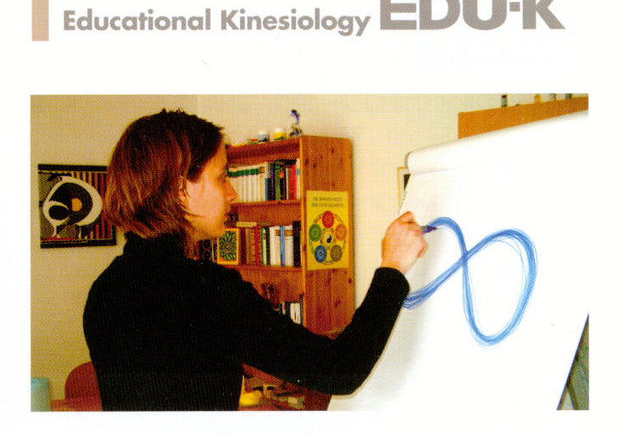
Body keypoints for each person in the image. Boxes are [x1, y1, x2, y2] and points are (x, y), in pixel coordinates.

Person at [83, 109, 427, 410]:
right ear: (180, 190)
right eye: (221, 177)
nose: (232, 193)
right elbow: (341, 370)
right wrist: (392, 268)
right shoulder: (205, 290)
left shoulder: (105, 290)